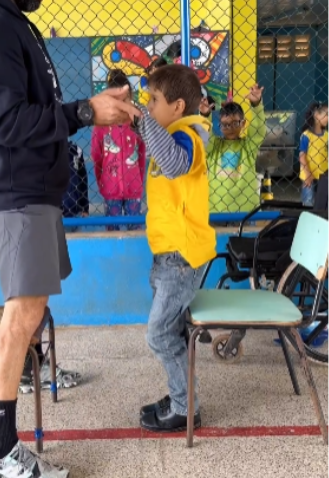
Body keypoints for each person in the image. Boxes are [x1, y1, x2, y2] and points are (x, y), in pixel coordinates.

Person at [0, 0, 140, 475]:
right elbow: (8, 121)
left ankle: (20, 413)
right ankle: (1, 451)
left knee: (32, 311)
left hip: (29, 187)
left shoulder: (6, 20)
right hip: (20, 191)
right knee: (22, 314)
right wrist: (86, 113)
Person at [132, 64, 216, 432]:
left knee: (160, 333)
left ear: (178, 106)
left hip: (181, 257)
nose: (149, 107)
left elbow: (175, 163)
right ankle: (183, 396)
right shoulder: (173, 131)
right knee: (172, 330)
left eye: (154, 101)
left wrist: (141, 123)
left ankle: (186, 408)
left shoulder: (192, 136)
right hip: (168, 255)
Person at [92, 69, 146, 230]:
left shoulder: (136, 123)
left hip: (133, 188)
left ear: (130, 98)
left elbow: (141, 155)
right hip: (110, 187)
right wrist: (102, 182)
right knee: (112, 230)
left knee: (135, 229)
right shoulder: (101, 126)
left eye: (125, 100)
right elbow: (96, 156)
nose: (122, 106)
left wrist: (138, 180)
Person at [198, 85, 265, 214]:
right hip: (216, 210)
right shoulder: (214, 146)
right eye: (225, 125)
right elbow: (204, 137)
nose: (230, 128)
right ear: (220, 125)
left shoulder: (248, 146)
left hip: (246, 211)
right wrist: (205, 115)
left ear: (243, 123)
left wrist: (256, 105)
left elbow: (258, 131)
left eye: (235, 123)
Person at [299, 102, 328, 207]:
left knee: (323, 206)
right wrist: (308, 174)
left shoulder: (327, 136)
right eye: (326, 114)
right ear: (316, 115)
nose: (328, 118)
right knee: (308, 204)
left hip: (324, 178)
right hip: (309, 177)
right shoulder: (306, 136)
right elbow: (302, 157)